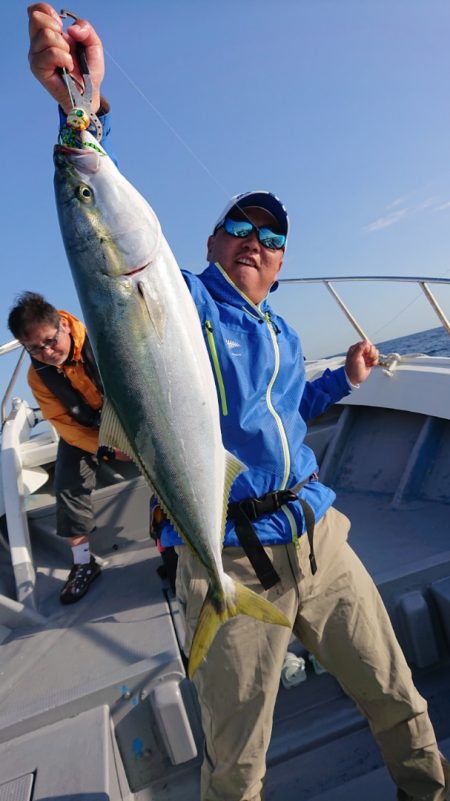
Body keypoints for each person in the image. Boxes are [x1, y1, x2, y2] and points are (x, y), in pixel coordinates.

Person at [27, 6, 450, 800]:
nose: (256, 237)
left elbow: (289, 406)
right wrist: (80, 110)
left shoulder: (285, 332)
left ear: (283, 266)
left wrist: (347, 378)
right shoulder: (182, 302)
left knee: (400, 701)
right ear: (212, 244)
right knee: (236, 764)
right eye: (239, 224)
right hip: (228, 552)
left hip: (324, 540)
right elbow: (111, 254)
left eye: (273, 234)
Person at [8, 291, 128, 603]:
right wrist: (104, 448)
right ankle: (83, 562)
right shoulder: (37, 377)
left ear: (63, 324)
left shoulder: (102, 338)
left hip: (130, 420)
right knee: (68, 482)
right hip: (87, 430)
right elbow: (61, 421)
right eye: (34, 348)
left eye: (50, 341)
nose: (46, 352)